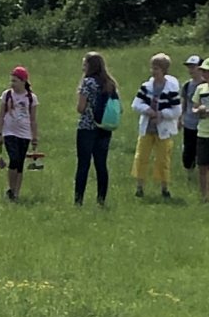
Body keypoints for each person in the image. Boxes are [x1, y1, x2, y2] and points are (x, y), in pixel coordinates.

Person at [130, 53, 181, 199]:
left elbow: (177, 110)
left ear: (164, 70)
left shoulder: (171, 88)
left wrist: (161, 114)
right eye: (152, 68)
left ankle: (164, 187)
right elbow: (136, 104)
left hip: (163, 129)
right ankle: (139, 187)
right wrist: (148, 111)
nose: (153, 71)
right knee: (141, 157)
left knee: (162, 159)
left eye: (156, 68)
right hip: (147, 129)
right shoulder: (146, 87)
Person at [74, 52, 119, 206]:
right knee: (101, 164)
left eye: (84, 64)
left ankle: (79, 200)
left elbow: (81, 107)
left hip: (87, 127)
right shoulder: (109, 83)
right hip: (105, 127)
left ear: (89, 65)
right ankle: (101, 200)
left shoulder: (88, 82)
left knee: (83, 164)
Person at [0, 66, 39, 202]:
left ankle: (16, 192)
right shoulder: (7, 95)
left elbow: (33, 119)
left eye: (15, 81)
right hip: (9, 132)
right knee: (13, 159)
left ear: (23, 81)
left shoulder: (31, 98)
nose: (12, 84)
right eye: (11, 81)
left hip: (25, 134)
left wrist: (35, 137)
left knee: (20, 163)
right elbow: (1, 115)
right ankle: (11, 188)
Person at [180, 55, 203, 178]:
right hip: (189, 123)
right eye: (189, 67)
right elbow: (184, 103)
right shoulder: (187, 85)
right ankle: (189, 173)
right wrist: (180, 118)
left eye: (193, 67)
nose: (191, 70)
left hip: (204, 125)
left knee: (202, 151)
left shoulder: (206, 85)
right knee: (189, 149)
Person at [191, 58, 209, 202]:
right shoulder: (200, 89)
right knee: (202, 166)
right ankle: (204, 196)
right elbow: (194, 107)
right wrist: (199, 110)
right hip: (203, 132)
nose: (205, 74)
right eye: (203, 71)